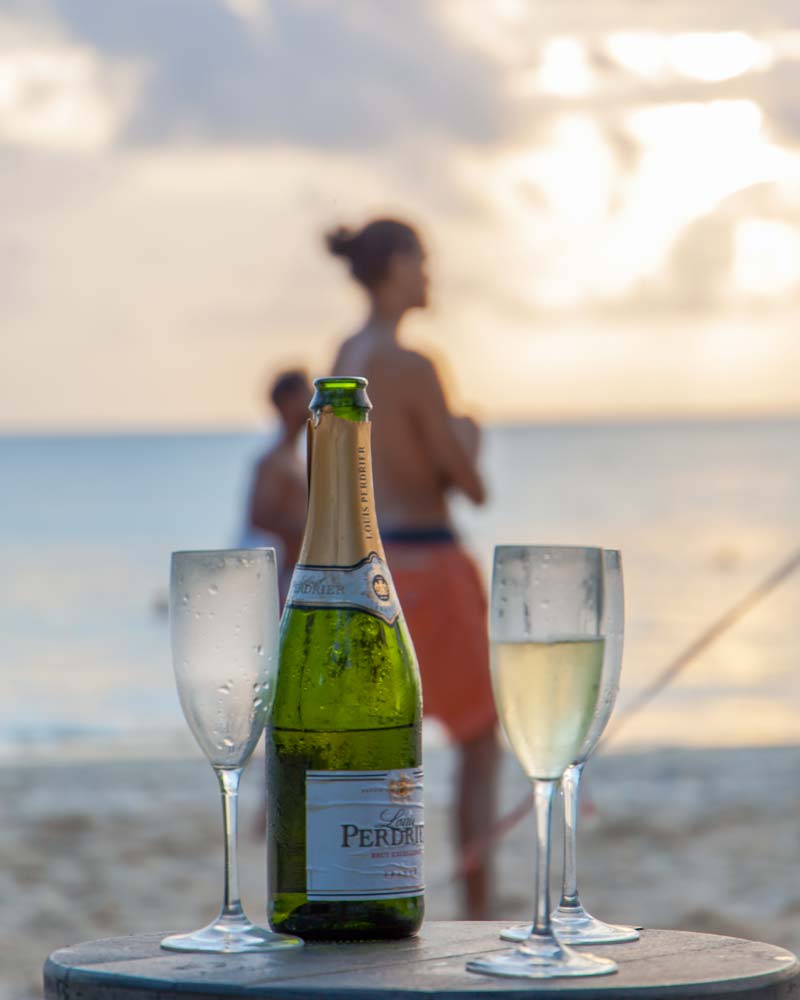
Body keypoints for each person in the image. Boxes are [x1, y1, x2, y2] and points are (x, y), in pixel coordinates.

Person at [328, 218, 499, 919]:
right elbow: (468, 484)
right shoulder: (412, 364)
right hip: (430, 557)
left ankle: (366, 891)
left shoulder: (346, 352)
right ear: (396, 265)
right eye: (422, 261)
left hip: (367, 566)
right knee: (479, 742)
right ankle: (478, 908)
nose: (429, 274)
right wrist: (468, 433)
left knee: (375, 747)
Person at [246, 369, 311, 602]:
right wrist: (305, 531)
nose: (311, 401)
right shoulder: (273, 461)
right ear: (286, 402)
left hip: (300, 572)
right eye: (305, 393)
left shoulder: (297, 458)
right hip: (283, 578)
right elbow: (258, 518)